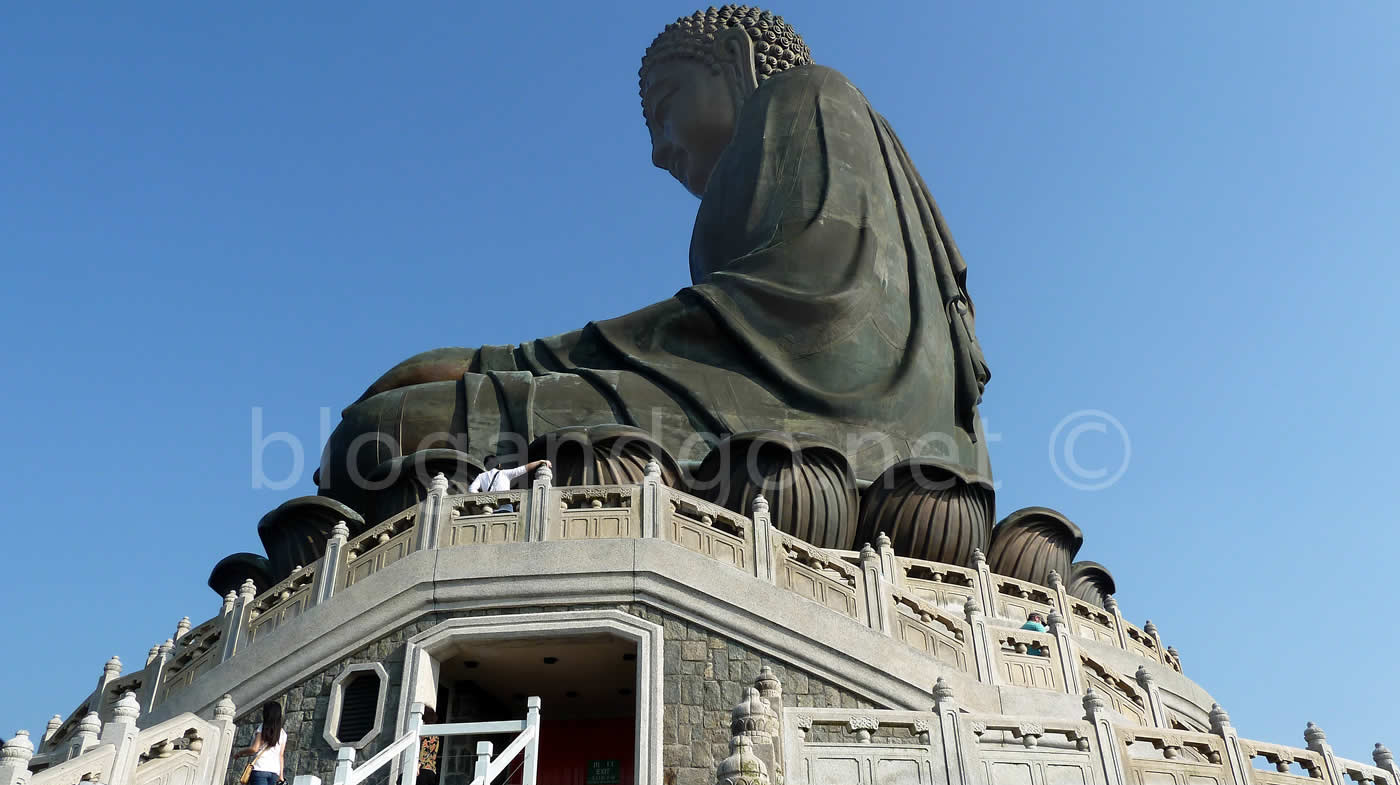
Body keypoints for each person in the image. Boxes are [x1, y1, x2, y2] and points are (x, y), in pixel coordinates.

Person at [316, 6, 993, 507]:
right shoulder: (804, 130)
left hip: (827, 432)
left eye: (665, 108)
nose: (659, 149)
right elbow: (736, 336)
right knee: (386, 433)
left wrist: (517, 362)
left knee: (383, 432)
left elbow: (803, 316)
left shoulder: (806, 95)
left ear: (735, 58)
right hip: (860, 448)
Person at [234, 701, 286, 785]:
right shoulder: (283, 733)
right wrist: (281, 776)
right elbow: (281, 755)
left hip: (260, 770)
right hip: (274, 772)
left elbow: (254, 749)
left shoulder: (263, 727)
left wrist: (240, 753)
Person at [466, 455, 549, 512]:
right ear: (499, 465)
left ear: (486, 466)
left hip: (490, 510)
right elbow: (523, 469)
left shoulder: (481, 476)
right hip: (505, 509)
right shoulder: (504, 473)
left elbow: (471, 490)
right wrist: (540, 461)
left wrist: (483, 500)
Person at [414, 707, 441, 785]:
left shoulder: (425, 734)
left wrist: (418, 764)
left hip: (423, 769)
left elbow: (424, 751)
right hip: (431, 771)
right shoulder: (435, 735)